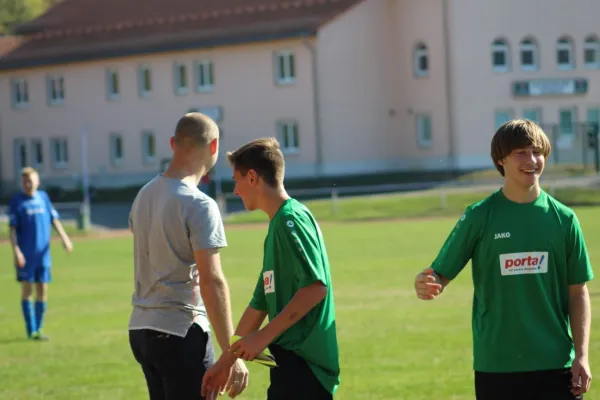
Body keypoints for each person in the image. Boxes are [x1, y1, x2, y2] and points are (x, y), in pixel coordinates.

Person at [414, 119, 594, 399]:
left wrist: (582, 356)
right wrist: (425, 283)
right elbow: (439, 274)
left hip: (556, 365)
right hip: (497, 366)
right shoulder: (479, 216)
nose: (531, 160)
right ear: (501, 161)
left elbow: (577, 292)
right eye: (520, 153)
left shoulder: (564, 219)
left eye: (537, 151)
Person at [201, 137, 340, 400]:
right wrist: (225, 362)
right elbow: (260, 303)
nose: (236, 190)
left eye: (237, 180)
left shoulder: (291, 220)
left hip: (305, 369)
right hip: (289, 365)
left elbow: (315, 288)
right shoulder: (277, 226)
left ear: (252, 177)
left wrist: (262, 337)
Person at [127, 112, 248, 400]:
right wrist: (232, 353)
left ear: (173, 143)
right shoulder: (199, 204)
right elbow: (212, 281)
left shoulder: (143, 195)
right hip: (180, 331)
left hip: (141, 329)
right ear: (214, 147)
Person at [8, 166, 73, 341]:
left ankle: (39, 328)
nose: (27, 184)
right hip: (26, 256)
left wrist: (65, 238)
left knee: (42, 290)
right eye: (24, 181)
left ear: (37, 181)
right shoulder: (17, 202)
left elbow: (54, 220)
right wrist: (17, 251)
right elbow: (12, 230)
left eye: (30, 180)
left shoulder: (43, 198)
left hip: (43, 256)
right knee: (27, 290)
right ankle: (31, 330)